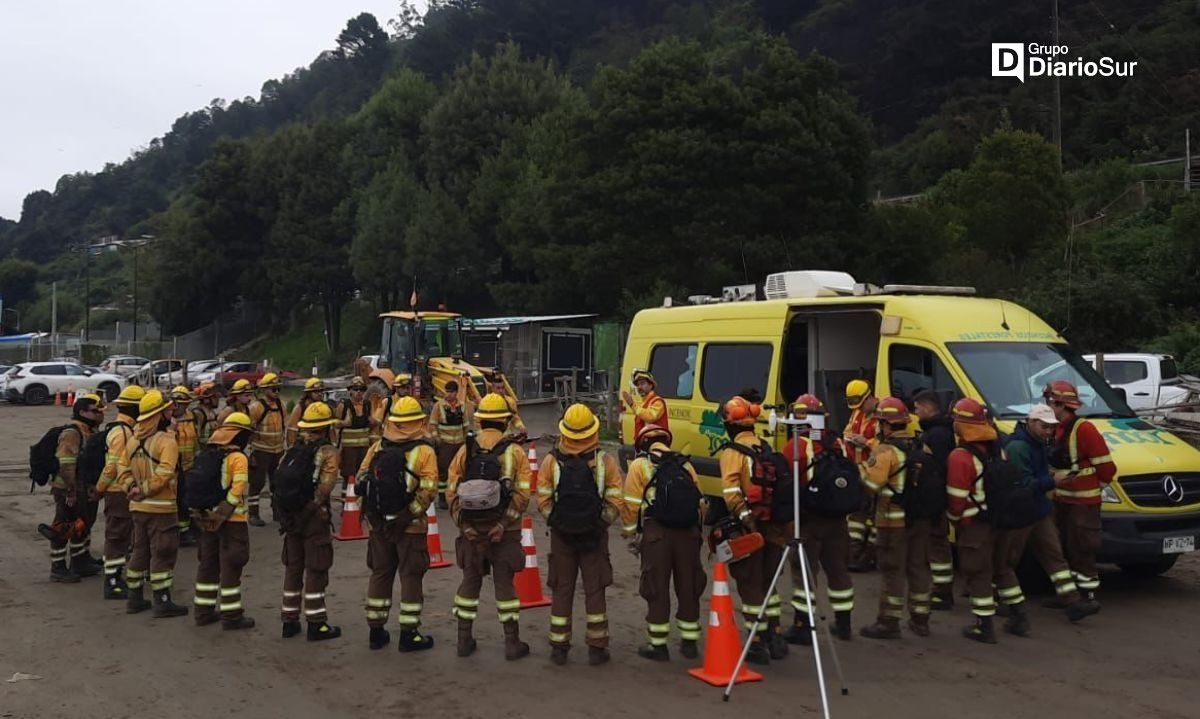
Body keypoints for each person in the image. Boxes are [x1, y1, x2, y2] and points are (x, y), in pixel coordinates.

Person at [446, 393, 533, 660]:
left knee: (470, 581)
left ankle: (463, 641)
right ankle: (511, 644)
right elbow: (523, 494)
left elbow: (451, 491)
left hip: (471, 530)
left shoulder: (466, 449)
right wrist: (502, 524)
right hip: (504, 533)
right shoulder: (515, 452)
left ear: (480, 421)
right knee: (505, 584)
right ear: (505, 421)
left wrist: (464, 525)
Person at [537, 403, 624, 666]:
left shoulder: (551, 461)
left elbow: (542, 500)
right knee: (594, 589)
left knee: (562, 589)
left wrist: (558, 523)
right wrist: (600, 524)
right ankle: (597, 648)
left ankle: (559, 648)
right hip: (594, 537)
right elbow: (616, 499)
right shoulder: (604, 461)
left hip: (562, 537)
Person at [357, 396, 439, 652]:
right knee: (410, 575)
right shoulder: (424, 451)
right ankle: (409, 633)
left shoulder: (378, 447)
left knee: (380, 573)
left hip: (378, 525)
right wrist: (406, 517)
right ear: (419, 421)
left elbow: (362, 479)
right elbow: (429, 490)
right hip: (410, 527)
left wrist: (375, 517)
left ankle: (375, 631)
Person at [620, 424, 705, 661]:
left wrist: (632, 535)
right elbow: (700, 503)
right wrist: (696, 532)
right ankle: (689, 642)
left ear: (643, 444)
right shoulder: (685, 465)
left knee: (656, 587)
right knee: (689, 584)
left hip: (656, 534)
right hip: (688, 535)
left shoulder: (639, 465)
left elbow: (630, 505)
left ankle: (658, 645)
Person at [779, 394, 855, 643]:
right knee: (838, 571)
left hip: (808, 519)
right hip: (837, 519)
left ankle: (803, 626)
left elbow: (788, 482)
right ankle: (844, 624)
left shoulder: (795, 447)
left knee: (804, 573)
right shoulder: (838, 443)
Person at [719, 395, 788, 664]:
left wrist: (746, 520)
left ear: (732, 425)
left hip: (751, 526)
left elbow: (731, 492)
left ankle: (756, 642)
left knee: (749, 583)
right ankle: (775, 634)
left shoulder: (732, 452)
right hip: (775, 525)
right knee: (769, 580)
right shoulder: (765, 447)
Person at [858, 396, 932, 639]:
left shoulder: (885, 451)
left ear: (885, 424)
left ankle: (888, 621)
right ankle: (921, 620)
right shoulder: (922, 446)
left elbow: (872, 485)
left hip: (892, 521)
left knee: (892, 570)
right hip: (920, 518)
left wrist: (860, 469)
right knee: (918, 567)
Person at [1045, 380, 1117, 610]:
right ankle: (1069, 595)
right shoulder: (1057, 429)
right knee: (1064, 547)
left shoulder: (1084, 429)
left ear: (1061, 404)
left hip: (1083, 503)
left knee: (1082, 549)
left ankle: (1087, 596)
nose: (1047, 406)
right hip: (1062, 500)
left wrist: (1093, 488)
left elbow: (1107, 468)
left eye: (1049, 401)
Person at [119, 390, 187, 618]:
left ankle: (134, 599)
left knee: (140, 551)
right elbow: (165, 473)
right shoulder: (167, 441)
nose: (172, 412)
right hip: (162, 508)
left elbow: (121, 468)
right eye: (168, 410)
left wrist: (131, 488)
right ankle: (162, 601)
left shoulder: (133, 440)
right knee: (164, 553)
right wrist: (144, 489)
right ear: (159, 415)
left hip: (138, 508)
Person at [278, 403, 342, 641]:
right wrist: (308, 512)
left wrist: (288, 517)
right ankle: (316, 624)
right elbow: (325, 488)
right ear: (326, 427)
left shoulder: (293, 450)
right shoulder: (328, 452)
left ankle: (289, 621)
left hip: (290, 518)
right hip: (313, 519)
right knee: (316, 568)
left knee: (293, 568)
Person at [946, 398, 1002, 643]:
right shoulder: (995, 448)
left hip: (973, 525)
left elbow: (956, 500)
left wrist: (952, 519)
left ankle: (984, 626)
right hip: (994, 519)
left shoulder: (960, 456)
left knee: (977, 574)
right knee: (988, 570)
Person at [191, 412, 254, 630]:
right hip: (232, 521)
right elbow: (238, 488)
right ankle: (232, 616)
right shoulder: (238, 458)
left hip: (206, 518)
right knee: (231, 565)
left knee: (207, 564)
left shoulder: (209, 454)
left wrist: (210, 515)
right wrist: (223, 513)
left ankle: (203, 611)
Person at [41, 393, 106, 583]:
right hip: (68, 488)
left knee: (83, 523)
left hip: (84, 486)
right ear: (82, 412)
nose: (99, 415)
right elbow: (66, 464)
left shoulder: (89, 431)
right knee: (64, 525)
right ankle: (58, 567)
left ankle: (81, 560)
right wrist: (70, 491)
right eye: (95, 411)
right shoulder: (72, 433)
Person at [94, 385, 145, 598]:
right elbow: (112, 466)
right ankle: (112, 583)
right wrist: (100, 489)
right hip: (117, 492)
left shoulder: (128, 429)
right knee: (116, 537)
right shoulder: (121, 432)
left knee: (123, 536)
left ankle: (116, 576)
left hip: (123, 491)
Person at [911, 390, 957, 610]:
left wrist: (932, 503)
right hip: (936, 499)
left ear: (928, 408)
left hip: (935, 500)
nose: (915, 411)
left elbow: (936, 471)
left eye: (918, 407)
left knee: (937, 545)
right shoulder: (939, 431)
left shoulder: (936, 435)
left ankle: (942, 593)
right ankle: (942, 589)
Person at [844, 379, 879, 572]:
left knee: (874, 516)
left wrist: (866, 442)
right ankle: (854, 554)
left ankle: (871, 556)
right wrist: (849, 438)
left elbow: (885, 444)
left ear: (869, 397)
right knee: (857, 514)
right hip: (858, 470)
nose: (859, 409)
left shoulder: (882, 415)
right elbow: (847, 430)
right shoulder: (857, 412)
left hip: (875, 472)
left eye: (861, 404)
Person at [247, 373, 287, 526]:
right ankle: (253, 514)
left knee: (277, 483)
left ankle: (277, 511)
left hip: (277, 450)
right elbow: (249, 429)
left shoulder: (281, 406)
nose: (276, 392)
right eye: (273, 389)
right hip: (261, 451)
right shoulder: (256, 407)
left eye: (278, 389)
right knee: (256, 483)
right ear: (265, 390)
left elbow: (284, 426)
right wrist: (252, 450)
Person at [430, 379, 475, 510]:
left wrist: (467, 440)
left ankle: (459, 495)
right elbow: (432, 424)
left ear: (456, 393)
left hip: (460, 444)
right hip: (445, 444)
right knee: (443, 471)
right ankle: (442, 497)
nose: (448, 394)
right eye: (447, 392)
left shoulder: (462, 406)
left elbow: (466, 424)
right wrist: (436, 438)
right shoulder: (438, 406)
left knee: (461, 470)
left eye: (451, 392)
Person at [171, 386, 200, 547]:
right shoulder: (167, 420)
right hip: (173, 468)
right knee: (177, 501)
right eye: (177, 403)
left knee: (187, 500)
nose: (179, 407)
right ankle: (181, 532)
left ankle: (188, 529)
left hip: (188, 466)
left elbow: (195, 440)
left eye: (183, 404)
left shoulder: (192, 417)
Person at [336, 376, 373, 486]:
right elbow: (334, 424)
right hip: (349, 449)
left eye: (361, 389)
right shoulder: (344, 405)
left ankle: (360, 500)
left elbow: (374, 422)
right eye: (355, 389)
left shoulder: (367, 405)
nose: (358, 392)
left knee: (363, 474)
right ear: (350, 391)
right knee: (349, 476)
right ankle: (345, 500)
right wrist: (344, 423)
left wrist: (374, 421)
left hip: (364, 447)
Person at [621, 369, 669, 439]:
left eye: (642, 383)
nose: (639, 387)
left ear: (651, 385)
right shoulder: (644, 403)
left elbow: (650, 417)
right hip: (644, 443)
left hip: (655, 443)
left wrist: (632, 404)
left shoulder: (657, 401)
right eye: (638, 385)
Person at [287, 377, 329, 446]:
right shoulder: (300, 408)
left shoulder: (325, 407)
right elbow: (292, 430)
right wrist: (292, 448)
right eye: (316, 391)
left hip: (321, 445)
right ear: (308, 393)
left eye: (321, 391)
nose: (320, 394)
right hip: (304, 446)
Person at [490, 371, 527, 441]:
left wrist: (521, 427)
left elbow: (515, 418)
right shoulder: (486, 402)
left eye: (502, 388)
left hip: (506, 438)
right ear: (492, 388)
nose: (501, 390)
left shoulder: (510, 401)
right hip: (491, 438)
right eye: (498, 388)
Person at [367, 368, 396, 442]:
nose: (405, 390)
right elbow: (377, 420)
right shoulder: (387, 402)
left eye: (406, 388)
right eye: (401, 387)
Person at [194, 383, 221, 447]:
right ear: (206, 399)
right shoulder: (199, 413)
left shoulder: (212, 412)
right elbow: (196, 437)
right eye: (214, 397)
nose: (218, 400)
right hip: (203, 451)